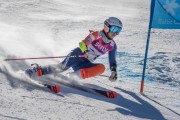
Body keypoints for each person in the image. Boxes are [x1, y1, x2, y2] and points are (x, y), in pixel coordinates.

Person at [25, 17, 123, 82]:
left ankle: (72, 77)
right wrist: (85, 52)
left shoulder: (112, 45)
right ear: (107, 27)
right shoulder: (97, 35)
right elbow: (83, 43)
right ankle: (36, 71)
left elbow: (112, 61)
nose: (115, 33)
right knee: (61, 67)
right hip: (78, 55)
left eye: (118, 31)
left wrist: (114, 72)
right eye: (114, 29)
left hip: (85, 64)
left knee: (101, 68)